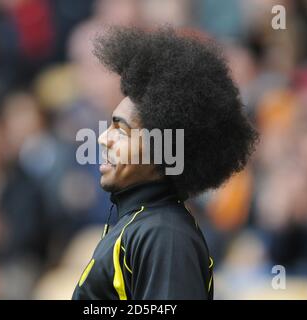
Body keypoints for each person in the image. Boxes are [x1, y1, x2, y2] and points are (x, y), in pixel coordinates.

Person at [72, 26, 258, 300]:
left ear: (162, 148)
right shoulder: (142, 225)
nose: (102, 139)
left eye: (120, 131)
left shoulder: (163, 235)